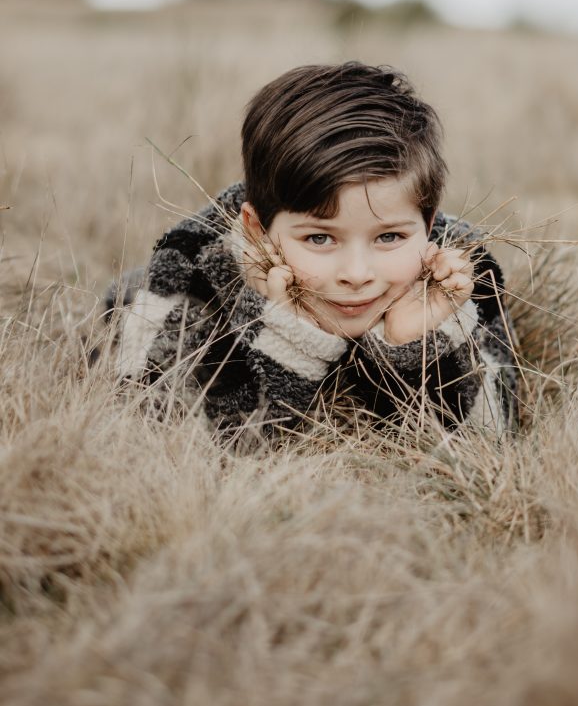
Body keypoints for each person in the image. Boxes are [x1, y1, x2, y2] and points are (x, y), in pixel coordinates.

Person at [112, 62, 518, 441]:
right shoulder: (191, 262)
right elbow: (152, 432)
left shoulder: (457, 270)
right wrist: (287, 332)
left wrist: (413, 345)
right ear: (259, 230)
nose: (357, 274)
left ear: (428, 228)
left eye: (389, 237)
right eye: (320, 239)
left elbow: (490, 435)